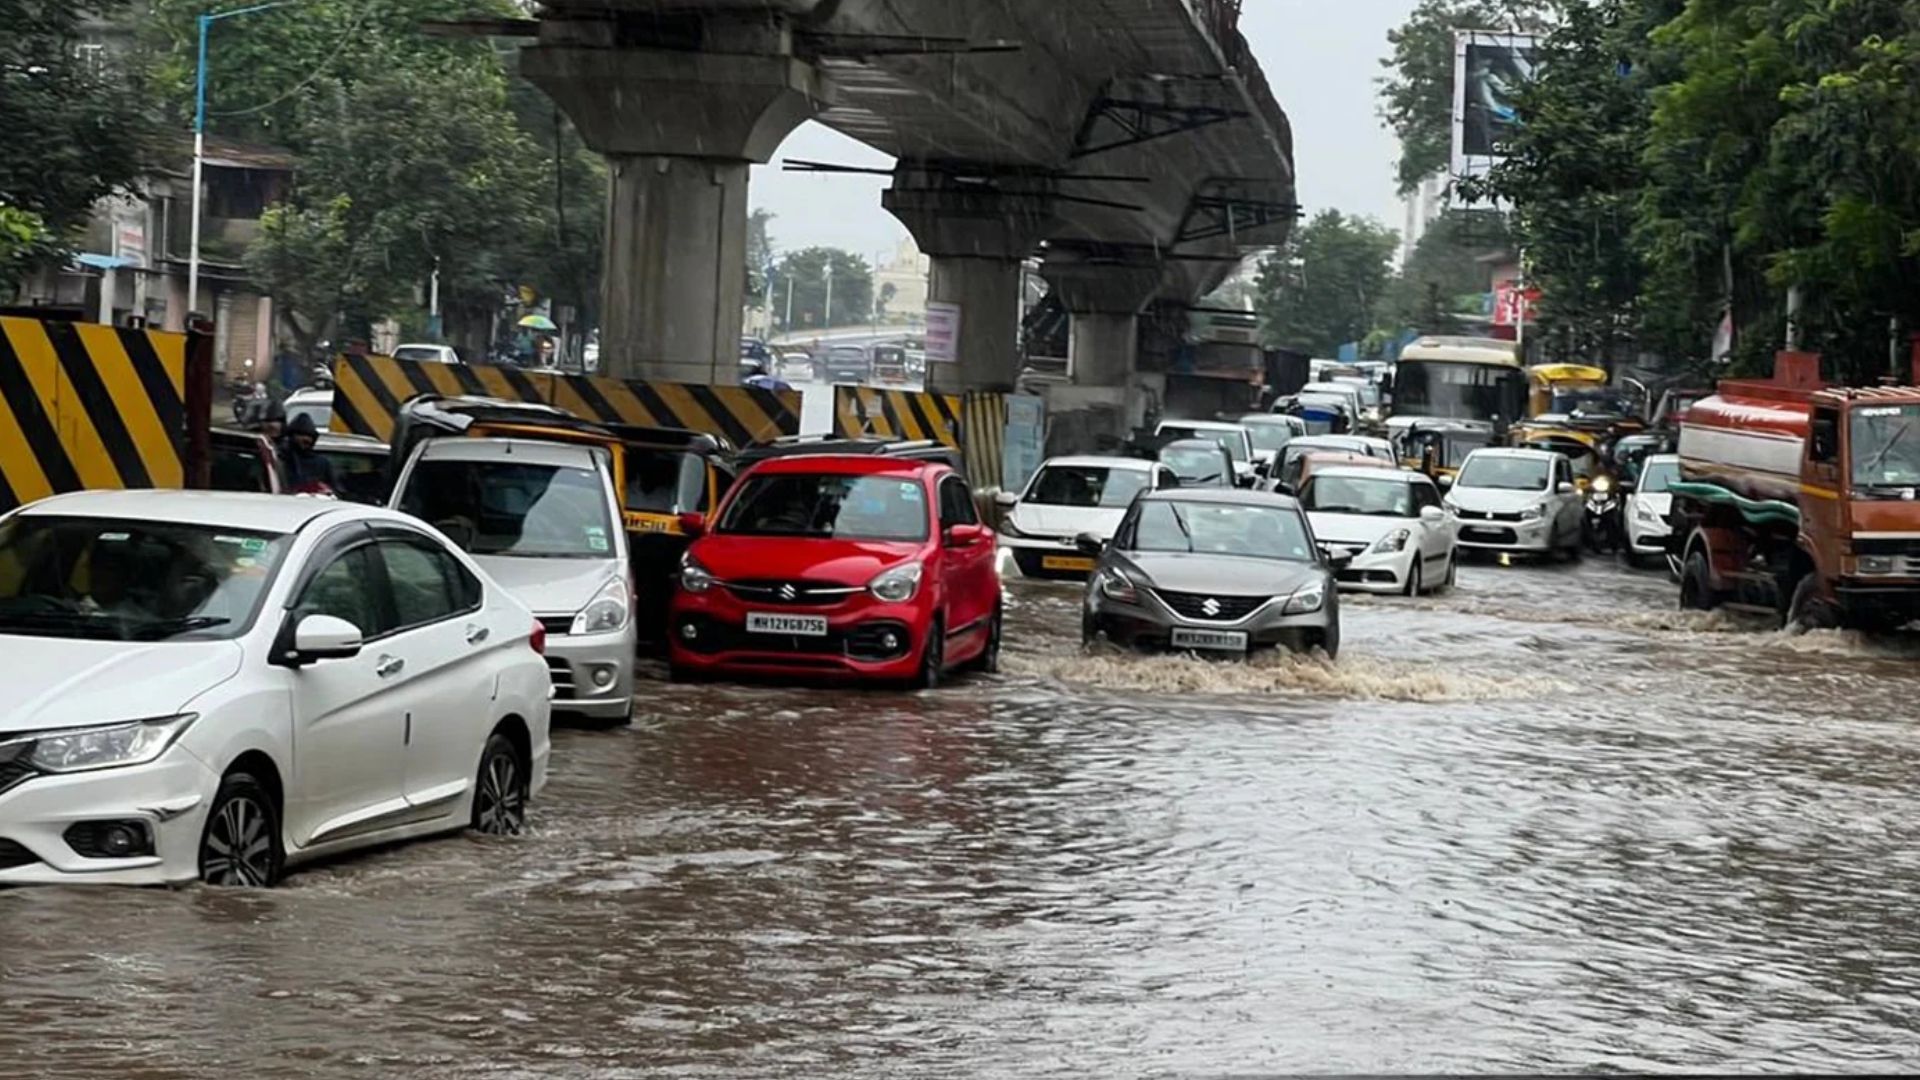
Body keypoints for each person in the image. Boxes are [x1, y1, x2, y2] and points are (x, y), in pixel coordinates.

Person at [279, 413, 338, 494]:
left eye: (309, 436)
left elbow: (332, 490)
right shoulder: (281, 459)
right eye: (301, 434)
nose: (306, 439)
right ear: (291, 436)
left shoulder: (322, 464)